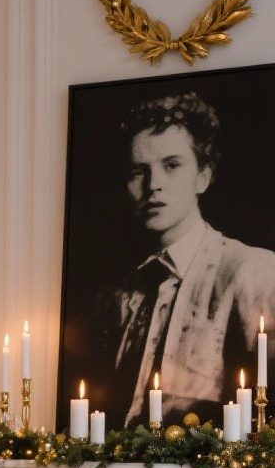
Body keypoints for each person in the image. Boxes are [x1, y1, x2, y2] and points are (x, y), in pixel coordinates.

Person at [108, 91, 275, 428]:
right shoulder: (125, 290)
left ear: (203, 175)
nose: (154, 185)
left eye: (172, 165)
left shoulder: (252, 270)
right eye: (139, 171)